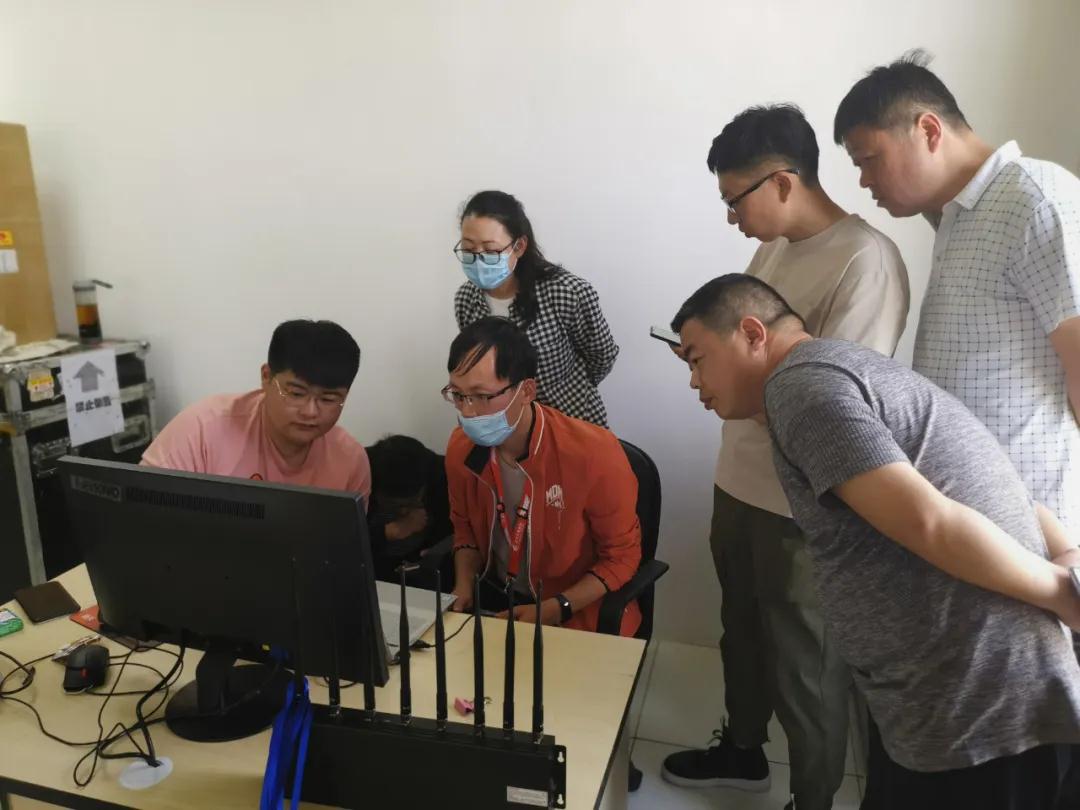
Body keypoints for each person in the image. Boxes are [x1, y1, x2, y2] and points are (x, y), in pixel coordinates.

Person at [670, 274, 1080, 810]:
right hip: (973, 699)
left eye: (697, 359)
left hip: (976, 707)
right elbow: (1015, 499)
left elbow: (928, 520)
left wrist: (1065, 592)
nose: (694, 382)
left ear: (752, 333)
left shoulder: (801, 388)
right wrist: (1064, 565)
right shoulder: (848, 370)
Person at [660, 105, 909, 810]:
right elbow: (751, 356)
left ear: (781, 181)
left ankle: (813, 797)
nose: (732, 217)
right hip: (738, 480)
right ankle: (743, 751)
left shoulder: (866, 260)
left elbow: (835, 403)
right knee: (740, 631)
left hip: (802, 502)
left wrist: (733, 378)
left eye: (736, 199)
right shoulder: (772, 250)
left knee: (806, 661)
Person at [834, 49, 1080, 531]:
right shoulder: (956, 214)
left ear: (928, 130)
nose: (864, 180)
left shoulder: (1037, 198)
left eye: (870, 160)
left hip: (1030, 520)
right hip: (967, 514)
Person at [443, 316, 641, 634]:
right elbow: (464, 529)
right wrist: (463, 585)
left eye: (482, 396)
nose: (467, 411)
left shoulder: (593, 454)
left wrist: (557, 607)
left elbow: (622, 557)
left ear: (526, 391)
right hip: (496, 604)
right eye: (458, 395)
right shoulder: (461, 448)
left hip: (573, 613)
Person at [142, 319, 370, 499]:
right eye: (296, 394)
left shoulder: (350, 460)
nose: (310, 412)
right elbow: (142, 509)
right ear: (266, 377)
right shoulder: (202, 430)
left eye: (328, 399)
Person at [453, 190, 619, 427]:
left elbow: (602, 356)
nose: (478, 260)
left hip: (570, 420)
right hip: (503, 426)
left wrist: (571, 389)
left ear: (519, 246)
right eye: (469, 250)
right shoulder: (466, 300)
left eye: (491, 251)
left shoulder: (565, 292)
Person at [365, 434, 452, 586]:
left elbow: (461, 530)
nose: (404, 512)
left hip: (427, 570)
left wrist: (439, 549)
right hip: (371, 571)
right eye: (395, 505)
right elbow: (343, 541)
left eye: (411, 503)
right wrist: (387, 532)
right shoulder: (358, 471)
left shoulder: (443, 474)